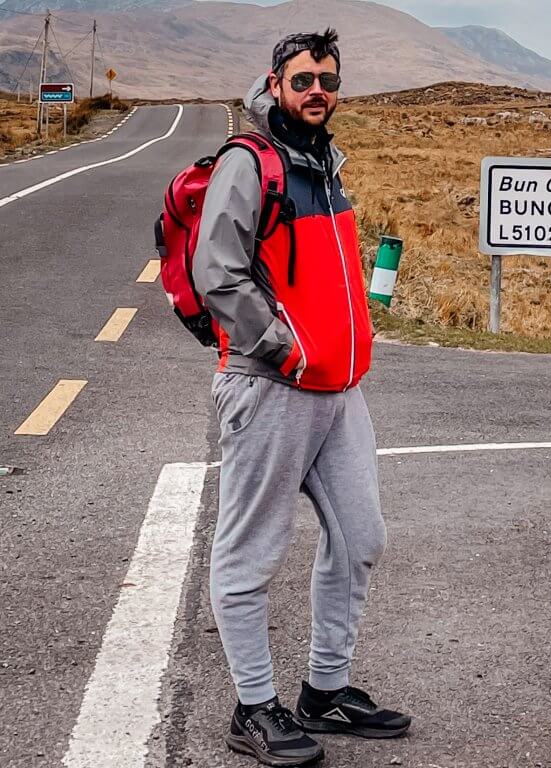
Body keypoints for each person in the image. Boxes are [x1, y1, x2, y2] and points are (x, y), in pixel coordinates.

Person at [193, 28, 411, 767]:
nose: (317, 89)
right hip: (270, 387)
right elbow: (216, 273)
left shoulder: (325, 167)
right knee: (249, 555)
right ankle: (253, 708)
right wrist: (285, 347)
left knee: (361, 538)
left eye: (328, 78)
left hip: (340, 393)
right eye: (303, 78)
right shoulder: (250, 162)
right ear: (276, 85)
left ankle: (326, 690)